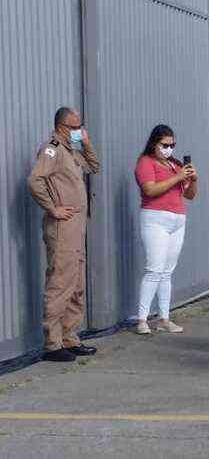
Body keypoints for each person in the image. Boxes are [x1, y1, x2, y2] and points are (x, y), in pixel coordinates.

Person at [28, 106, 101, 362]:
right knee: (60, 283)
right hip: (62, 228)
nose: (78, 131)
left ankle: (70, 338)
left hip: (77, 228)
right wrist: (53, 208)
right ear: (61, 126)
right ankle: (52, 343)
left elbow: (94, 165)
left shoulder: (71, 151)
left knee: (76, 284)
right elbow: (35, 180)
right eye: (73, 127)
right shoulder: (52, 149)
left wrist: (86, 142)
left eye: (80, 127)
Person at [133, 125, 198, 335]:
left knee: (167, 272)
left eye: (172, 145)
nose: (169, 149)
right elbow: (150, 189)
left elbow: (190, 195)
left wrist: (193, 179)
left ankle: (164, 317)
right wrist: (178, 177)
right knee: (154, 270)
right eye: (165, 145)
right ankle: (142, 320)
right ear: (154, 144)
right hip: (155, 219)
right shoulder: (146, 162)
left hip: (177, 220)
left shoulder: (174, 164)